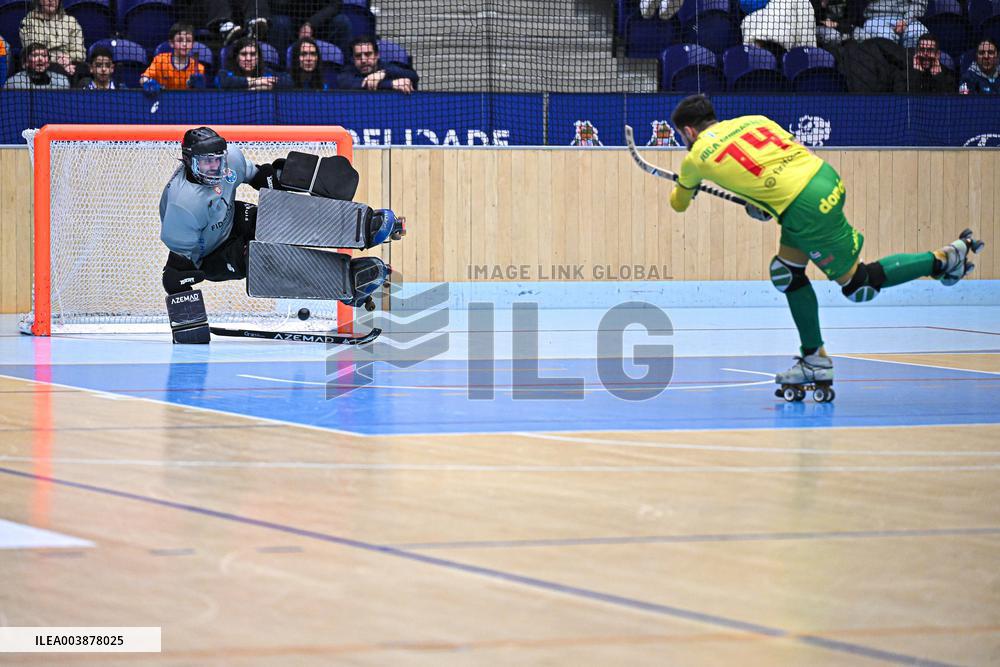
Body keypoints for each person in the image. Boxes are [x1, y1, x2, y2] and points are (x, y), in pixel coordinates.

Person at [666, 95, 984, 391]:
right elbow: (787, 159)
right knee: (786, 272)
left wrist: (688, 187)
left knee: (859, 284)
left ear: (690, 131)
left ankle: (943, 259)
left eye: (683, 136)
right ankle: (813, 357)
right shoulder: (754, 120)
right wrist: (763, 202)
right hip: (823, 177)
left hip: (803, 208)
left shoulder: (695, 158)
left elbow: (678, 204)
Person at [19, 0, 85, 80]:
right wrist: (58, 61)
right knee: (57, 69)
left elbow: (80, 53)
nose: (51, 1)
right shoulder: (28, 23)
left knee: (83, 69)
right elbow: (33, 53)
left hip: (70, 62)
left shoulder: (71, 22)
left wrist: (68, 59)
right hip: (42, 65)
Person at [338, 36, 418, 94]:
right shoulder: (348, 71)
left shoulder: (386, 66)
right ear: (353, 58)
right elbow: (346, 84)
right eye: (358, 56)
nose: (363, 60)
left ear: (376, 55)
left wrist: (384, 73)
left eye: (368, 54)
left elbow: (413, 76)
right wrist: (391, 84)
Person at [141, 23, 206, 92]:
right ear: (172, 43)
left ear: (192, 44)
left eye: (188, 41)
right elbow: (143, 78)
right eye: (180, 40)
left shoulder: (199, 68)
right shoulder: (160, 60)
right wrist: (147, 82)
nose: (184, 44)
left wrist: (199, 89)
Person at [217, 37, 290, 90]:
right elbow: (224, 83)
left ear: (258, 57)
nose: (248, 59)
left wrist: (258, 88)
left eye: (252, 54)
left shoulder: (266, 72)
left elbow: (288, 80)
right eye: (243, 54)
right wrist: (256, 81)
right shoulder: (225, 73)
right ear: (236, 57)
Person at [853, 0, 928, 48]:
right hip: (875, 18)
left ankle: (911, 71)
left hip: (908, 17)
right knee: (885, 37)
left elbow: (920, 3)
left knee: (920, 34)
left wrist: (906, 20)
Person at [3, 42, 70, 89]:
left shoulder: (62, 81)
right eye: (35, 55)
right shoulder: (14, 83)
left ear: (48, 62)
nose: (40, 59)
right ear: (25, 62)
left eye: (44, 55)